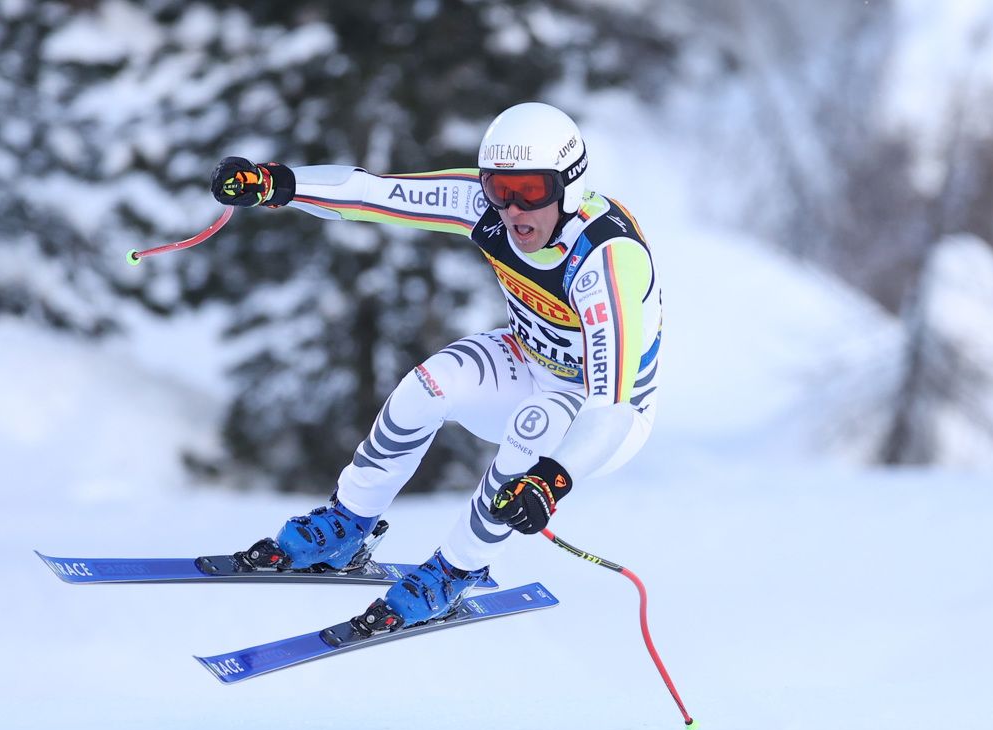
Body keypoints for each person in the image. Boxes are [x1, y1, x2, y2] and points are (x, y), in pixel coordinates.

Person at [209, 102, 662, 640]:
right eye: (499, 188)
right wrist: (275, 182)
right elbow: (374, 194)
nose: (513, 209)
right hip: (530, 359)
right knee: (427, 386)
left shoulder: (603, 260)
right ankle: (347, 524)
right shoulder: (485, 208)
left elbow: (611, 411)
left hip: (600, 412)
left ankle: (453, 572)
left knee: (533, 426)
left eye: (533, 191)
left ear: (568, 185)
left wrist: (551, 479)